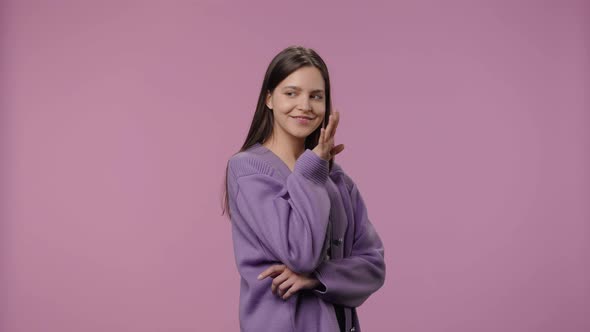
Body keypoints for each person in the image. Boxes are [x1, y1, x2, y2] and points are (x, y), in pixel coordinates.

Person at [221, 45, 385, 332]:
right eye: (291, 93)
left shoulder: (338, 180)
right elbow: (300, 254)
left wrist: (318, 278)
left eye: (316, 96)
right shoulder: (247, 169)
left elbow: (373, 266)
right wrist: (312, 170)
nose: (305, 106)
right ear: (269, 99)